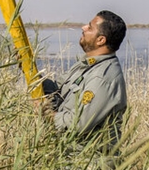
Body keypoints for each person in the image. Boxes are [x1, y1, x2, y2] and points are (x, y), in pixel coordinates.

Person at [42, 10, 127, 151]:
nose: (83, 28)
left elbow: (78, 123)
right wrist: (30, 71)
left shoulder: (103, 77)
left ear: (101, 40)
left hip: (89, 166)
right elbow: (58, 90)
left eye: (90, 27)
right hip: (69, 159)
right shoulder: (87, 64)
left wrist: (45, 113)